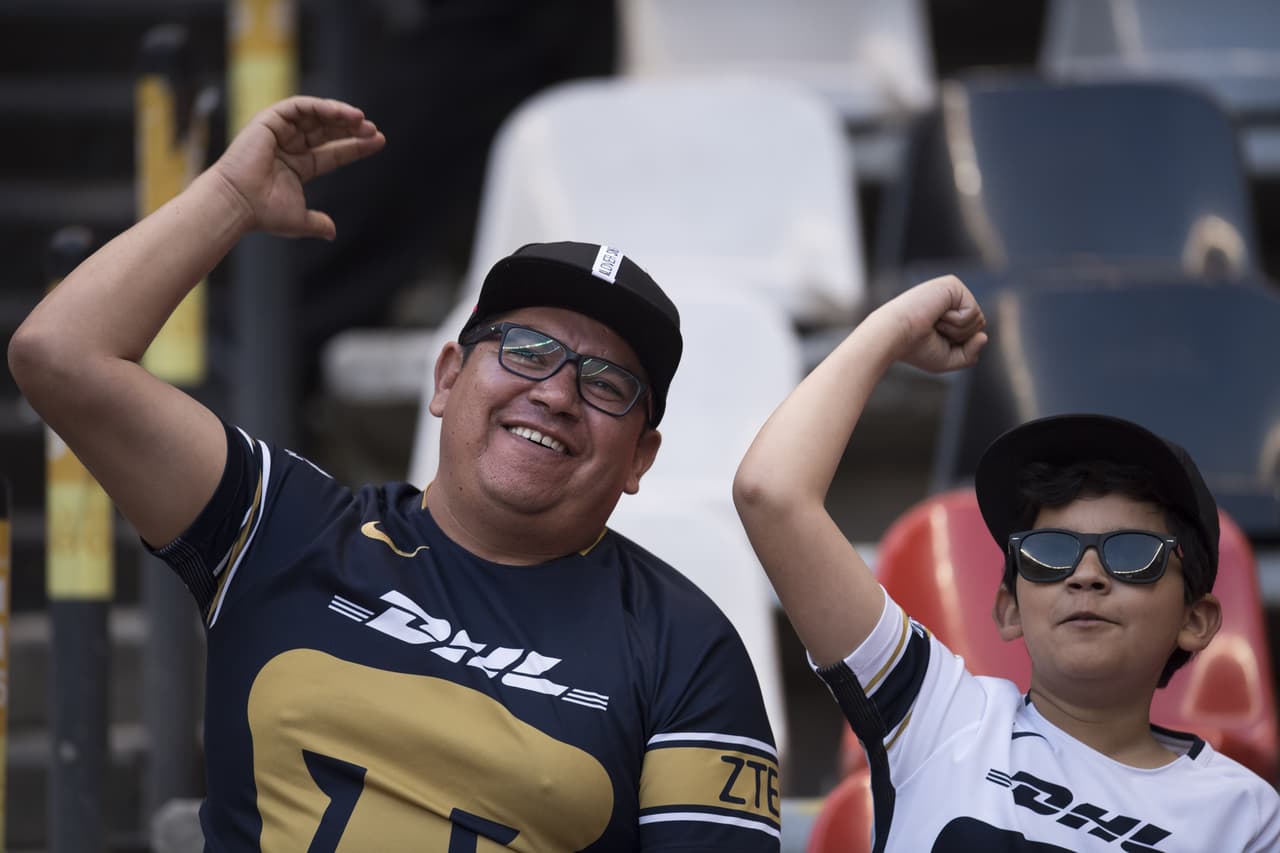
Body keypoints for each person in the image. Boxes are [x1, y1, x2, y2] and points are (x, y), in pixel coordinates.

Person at [9, 95, 780, 850]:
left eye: (606, 383)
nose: (555, 393)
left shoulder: (685, 642)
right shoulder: (284, 528)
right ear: (445, 378)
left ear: (640, 456)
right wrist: (231, 197)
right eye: (526, 350)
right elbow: (58, 356)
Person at [733, 274, 1280, 851]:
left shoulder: (1246, 816)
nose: (1086, 575)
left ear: (1196, 620)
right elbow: (771, 493)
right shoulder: (939, 716)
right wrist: (892, 330)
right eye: (1048, 554)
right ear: (1008, 608)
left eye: (1129, 553)